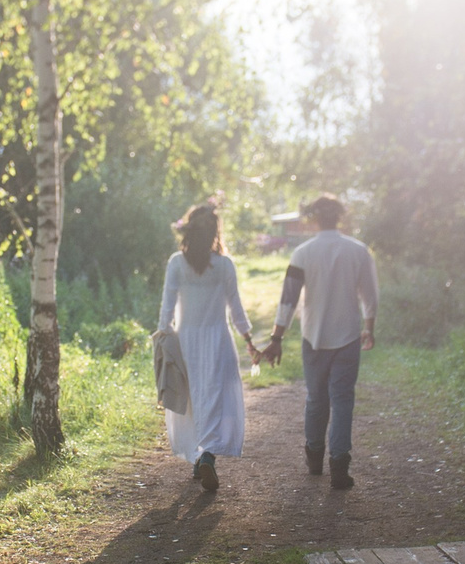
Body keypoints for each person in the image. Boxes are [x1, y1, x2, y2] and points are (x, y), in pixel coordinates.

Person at [263, 194, 377, 490]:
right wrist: (369, 327)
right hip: (348, 336)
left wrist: (277, 337)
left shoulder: (302, 253)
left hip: (313, 336)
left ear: (313, 218)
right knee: (342, 400)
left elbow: (288, 300)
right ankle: (339, 464)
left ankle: (314, 457)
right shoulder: (358, 251)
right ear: (339, 217)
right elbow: (370, 294)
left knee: (316, 399)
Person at [155, 201, 255, 493]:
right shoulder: (223, 265)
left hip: (186, 340)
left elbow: (167, 305)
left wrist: (163, 335)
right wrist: (248, 339)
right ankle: (207, 455)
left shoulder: (177, 263)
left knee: (191, 399)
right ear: (214, 232)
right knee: (214, 396)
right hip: (218, 339)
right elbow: (236, 308)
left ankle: (200, 457)